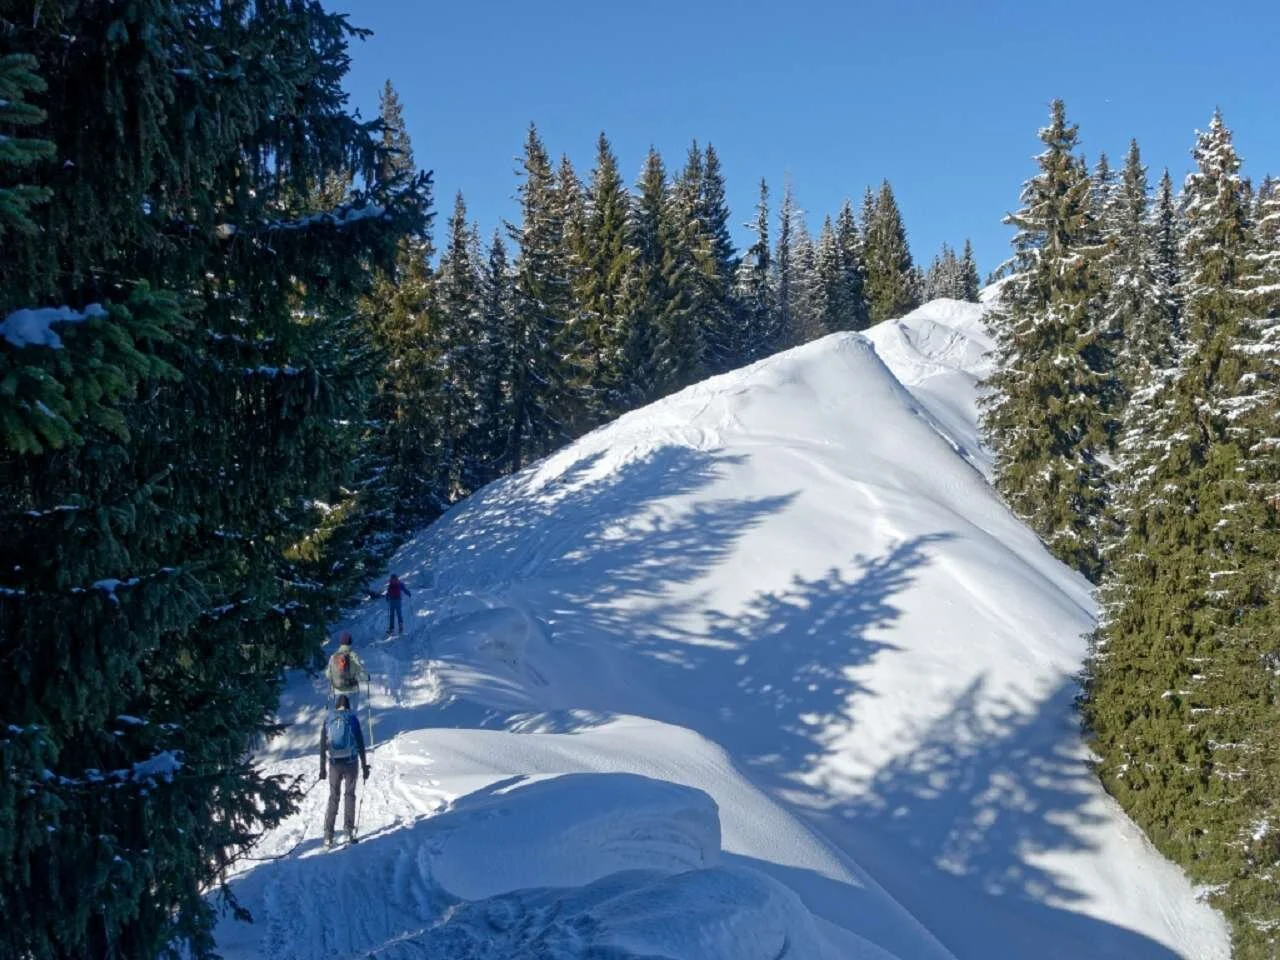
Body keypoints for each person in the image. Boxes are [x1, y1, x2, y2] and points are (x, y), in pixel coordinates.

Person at [319, 694, 370, 848]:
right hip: (351, 762)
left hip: (334, 764)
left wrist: (322, 769)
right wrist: (364, 765)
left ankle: (328, 835)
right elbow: (360, 743)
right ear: (348, 706)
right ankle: (348, 831)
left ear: (336, 706)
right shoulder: (352, 719)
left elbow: (322, 745)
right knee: (350, 795)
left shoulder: (328, 719)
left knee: (333, 796)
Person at [324, 630, 368, 713]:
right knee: (352, 713)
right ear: (350, 642)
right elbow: (360, 673)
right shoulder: (353, 656)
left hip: (338, 689)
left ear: (341, 643)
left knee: (339, 713)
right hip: (352, 690)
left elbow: (328, 674)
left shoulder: (334, 656)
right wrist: (367, 677)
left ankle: (340, 725)